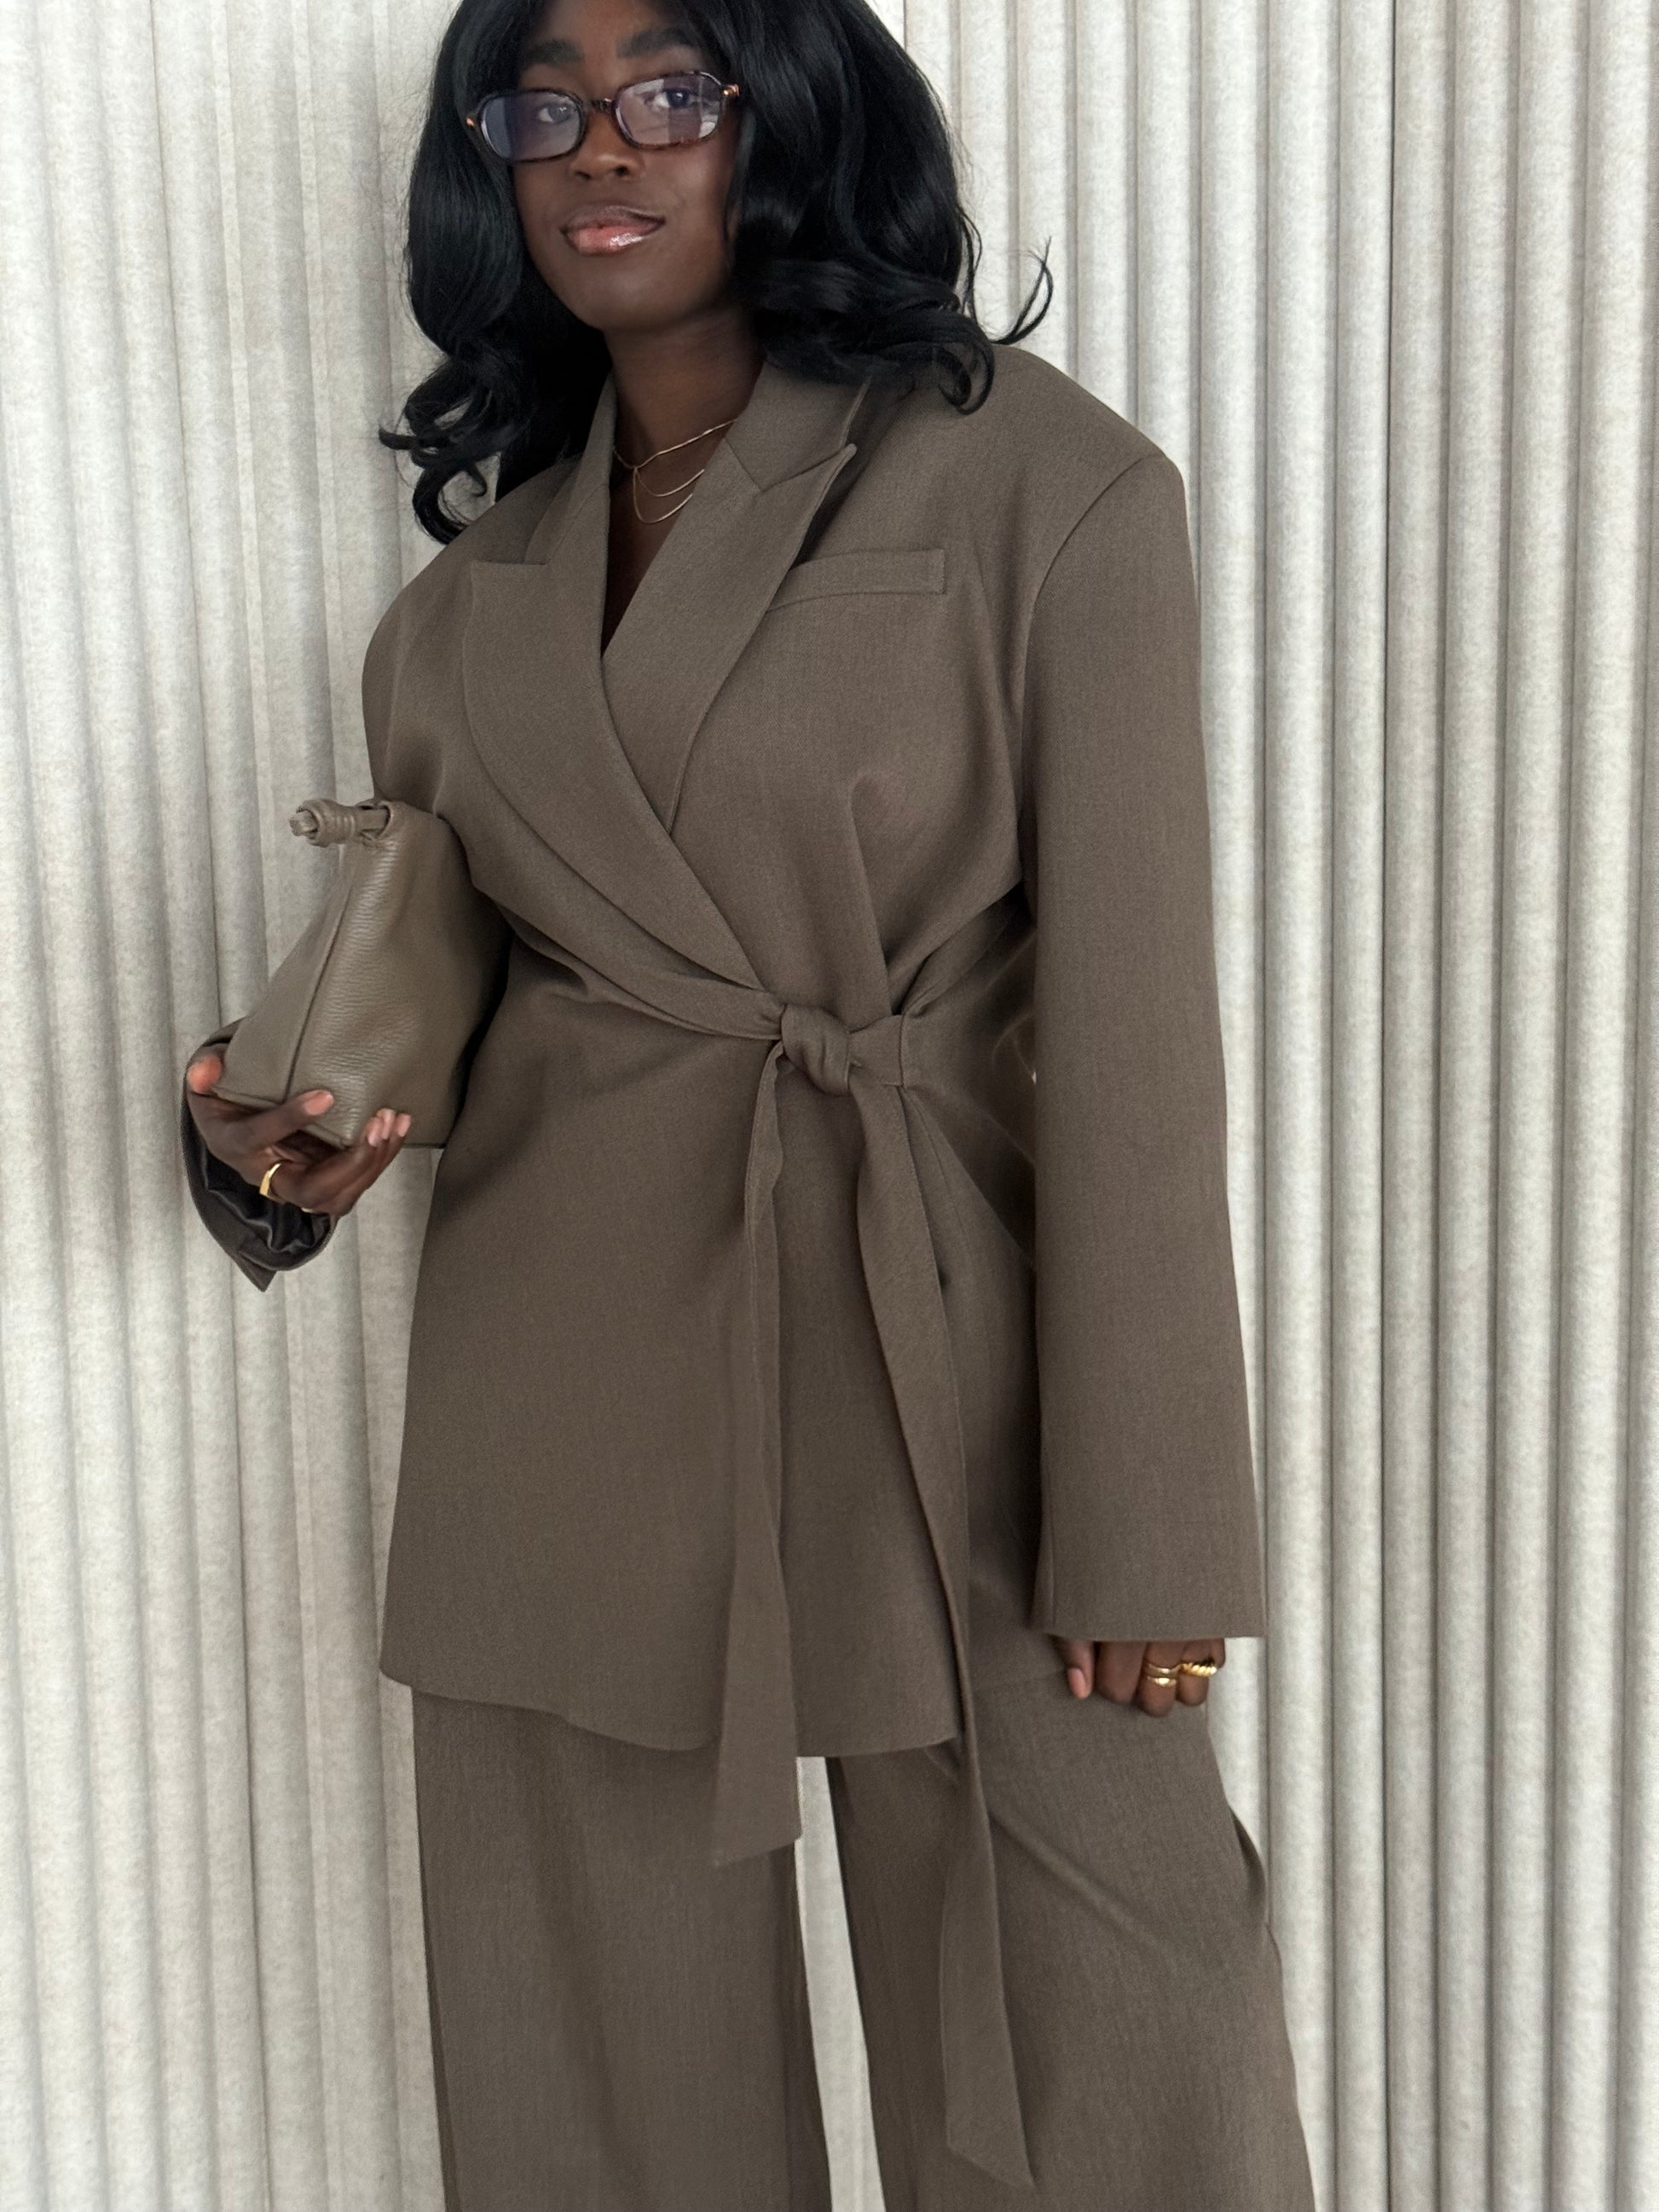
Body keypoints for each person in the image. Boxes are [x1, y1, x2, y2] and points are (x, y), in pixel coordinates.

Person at [181, 1, 1316, 2205]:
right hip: (569, 1371)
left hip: (941, 1346)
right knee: (597, 2069)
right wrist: (277, 1142)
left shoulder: (1044, 485)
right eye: (542, 105)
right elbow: (456, 998)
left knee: (1110, 2039)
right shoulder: (462, 606)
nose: (599, 147)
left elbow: (1136, 1045)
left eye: (668, 91)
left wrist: (1155, 1522)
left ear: (789, 118)